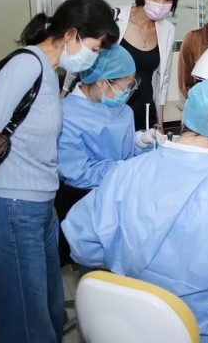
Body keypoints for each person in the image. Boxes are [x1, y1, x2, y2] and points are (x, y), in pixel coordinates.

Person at [62, 79, 208, 343]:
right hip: (204, 332)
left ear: (185, 119)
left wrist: (134, 266)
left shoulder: (126, 172)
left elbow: (81, 243)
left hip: (129, 323)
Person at [0, 0, 119, 343]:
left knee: (47, 309)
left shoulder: (49, 73)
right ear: (72, 34)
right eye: (95, 48)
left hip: (37, 206)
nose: (94, 58)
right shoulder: (25, 66)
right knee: (23, 318)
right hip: (11, 206)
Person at [55, 45, 157, 267]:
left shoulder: (121, 109)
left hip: (121, 198)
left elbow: (123, 150)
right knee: (95, 268)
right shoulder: (66, 115)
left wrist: (140, 142)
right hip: (85, 202)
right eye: (126, 86)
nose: (129, 91)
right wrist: (123, 169)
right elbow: (76, 172)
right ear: (102, 82)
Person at [63, 0, 178, 131]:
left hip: (143, 110)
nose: (161, 4)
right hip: (107, 107)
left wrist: (160, 121)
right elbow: (81, 58)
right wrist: (64, 91)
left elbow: (163, 78)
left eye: (168, 0)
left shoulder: (167, 29)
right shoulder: (114, 19)